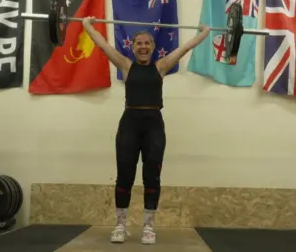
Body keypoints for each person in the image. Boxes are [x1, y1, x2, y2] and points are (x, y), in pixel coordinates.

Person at [82, 16, 210, 244]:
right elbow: (102, 45)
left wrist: (204, 32)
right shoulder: (125, 65)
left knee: (152, 177)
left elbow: (185, 47)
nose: (142, 46)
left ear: (153, 47)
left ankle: (148, 227)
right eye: (138, 43)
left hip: (154, 126)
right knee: (124, 176)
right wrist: (87, 26)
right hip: (129, 124)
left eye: (147, 43)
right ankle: (120, 225)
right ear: (133, 47)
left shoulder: (161, 67)